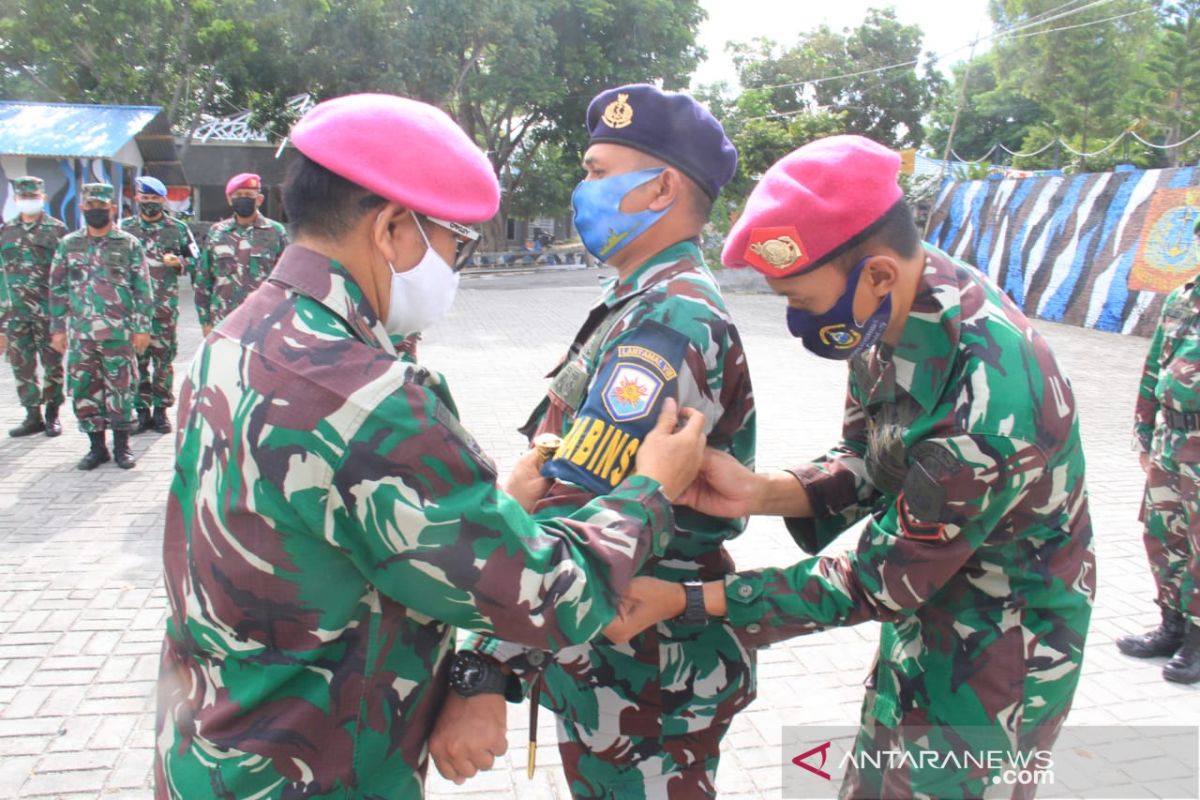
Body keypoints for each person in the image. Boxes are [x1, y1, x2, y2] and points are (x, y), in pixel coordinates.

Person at [153, 92, 709, 800]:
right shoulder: (366, 395)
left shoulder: (237, 337)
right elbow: (550, 598)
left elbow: (326, 529)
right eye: (455, 243)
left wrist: (496, 507)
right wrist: (651, 490)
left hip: (214, 749)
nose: (455, 266)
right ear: (392, 228)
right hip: (315, 773)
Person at [608, 135, 1097, 798]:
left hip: (1001, 659)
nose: (795, 321)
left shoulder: (989, 406)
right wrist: (761, 491)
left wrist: (687, 601)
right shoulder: (894, 311)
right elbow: (869, 461)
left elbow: (872, 580)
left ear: (877, 275)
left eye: (802, 302)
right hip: (927, 619)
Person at [434, 84, 756, 799]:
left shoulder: (668, 321)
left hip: (645, 676)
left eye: (597, 171)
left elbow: (578, 510)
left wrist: (485, 667)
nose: (584, 190)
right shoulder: (639, 300)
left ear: (660, 188)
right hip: (614, 656)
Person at [1118, 211, 1200, 682]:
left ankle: (1197, 641)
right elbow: (1154, 368)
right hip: (1171, 443)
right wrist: (1144, 435)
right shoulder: (1181, 299)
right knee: (1161, 533)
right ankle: (1171, 624)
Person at [48, 182, 152, 470]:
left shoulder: (128, 243)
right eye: (91, 206)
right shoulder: (68, 244)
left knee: (121, 388)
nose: (96, 211)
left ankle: (122, 447)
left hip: (118, 333)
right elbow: (57, 288)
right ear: (82, 208)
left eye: (102, 207)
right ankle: (97, 448)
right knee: (84, 389)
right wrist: (57, 328)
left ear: (113, 208)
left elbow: (143, 288)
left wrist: (142, 327)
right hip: (82, 335)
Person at [119, 175, 199, 435]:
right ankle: (141, 412)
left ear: (163, 200)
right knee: (138, 361)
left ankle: (161, 411)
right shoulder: (125, 228)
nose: (150, 203)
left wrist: (180, 263)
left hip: (164, 307)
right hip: (134, 310)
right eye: (145, 198)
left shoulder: (176, 228)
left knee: (163, 361)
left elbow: (197, 258)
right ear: (137, 198)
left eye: (155, 198)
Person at [0, 176, 68, 437]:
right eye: (24, 197)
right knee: (21, 364)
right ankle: (32, 415)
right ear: (16, 199)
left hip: (48, 312)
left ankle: (52, 414)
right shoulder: (7, 230)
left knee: (52, 364)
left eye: (34, 197)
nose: (29, 201)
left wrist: (63, 314)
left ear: (43, 198)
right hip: (15, 314)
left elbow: (65, 274)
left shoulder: (57, 230)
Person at [193, 172, 288, 335]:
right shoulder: (217, 232)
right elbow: (204, 278)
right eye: (238, 195)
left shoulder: (275, 232)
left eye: (249, 195)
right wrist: (205, 321)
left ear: (259, 199)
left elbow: (286, 279)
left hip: (262, 324)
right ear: (230, 199)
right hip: (222, 322)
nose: (243, 198)